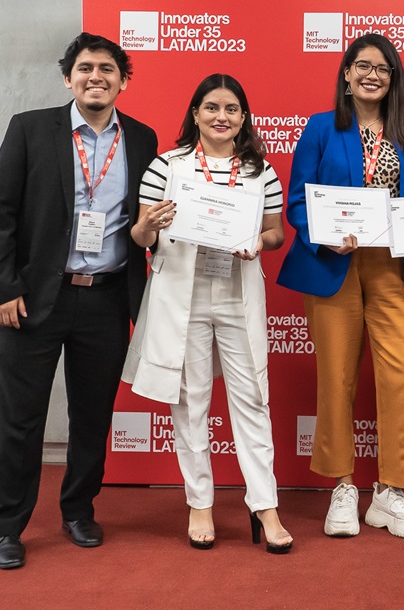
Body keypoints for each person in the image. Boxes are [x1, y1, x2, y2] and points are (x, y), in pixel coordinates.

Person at [0, 33, 157, 569]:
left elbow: (154, 220)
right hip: (33, 301)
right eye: (85, 67)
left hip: (106, 300)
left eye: (107, 68)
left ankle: (79, 508)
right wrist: (3, 288)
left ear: (123, 80)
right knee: (21, 419)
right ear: (67, 77)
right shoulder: (31, 129)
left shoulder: (144, 140)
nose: (95, 76)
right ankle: (6, 527)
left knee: (92, 417)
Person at [122, 74, 292, 553]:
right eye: (212, 107)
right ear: (195, 113)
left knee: (253, 399)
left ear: (243, 117)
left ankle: (265, 505)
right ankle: (200, 502)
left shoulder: (261, 170)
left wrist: (260, 241)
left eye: (232, 109)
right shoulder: (167, 165)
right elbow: (141, 235)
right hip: (184, 294)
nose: (222, 117)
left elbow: (276, 232)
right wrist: (147, 226)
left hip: (237, 292)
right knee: (190, 400)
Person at [277, 33, 404, 539]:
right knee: (337, 376)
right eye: (362, 66)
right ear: (346, 74)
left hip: (395, 266)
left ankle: (390, 491)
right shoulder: (322, 128)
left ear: (394, 79)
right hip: (334, 267)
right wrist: (328, 236)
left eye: (383, 68)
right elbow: (298, 202)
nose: (372, 75)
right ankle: (343, 487)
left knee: (401, 378)